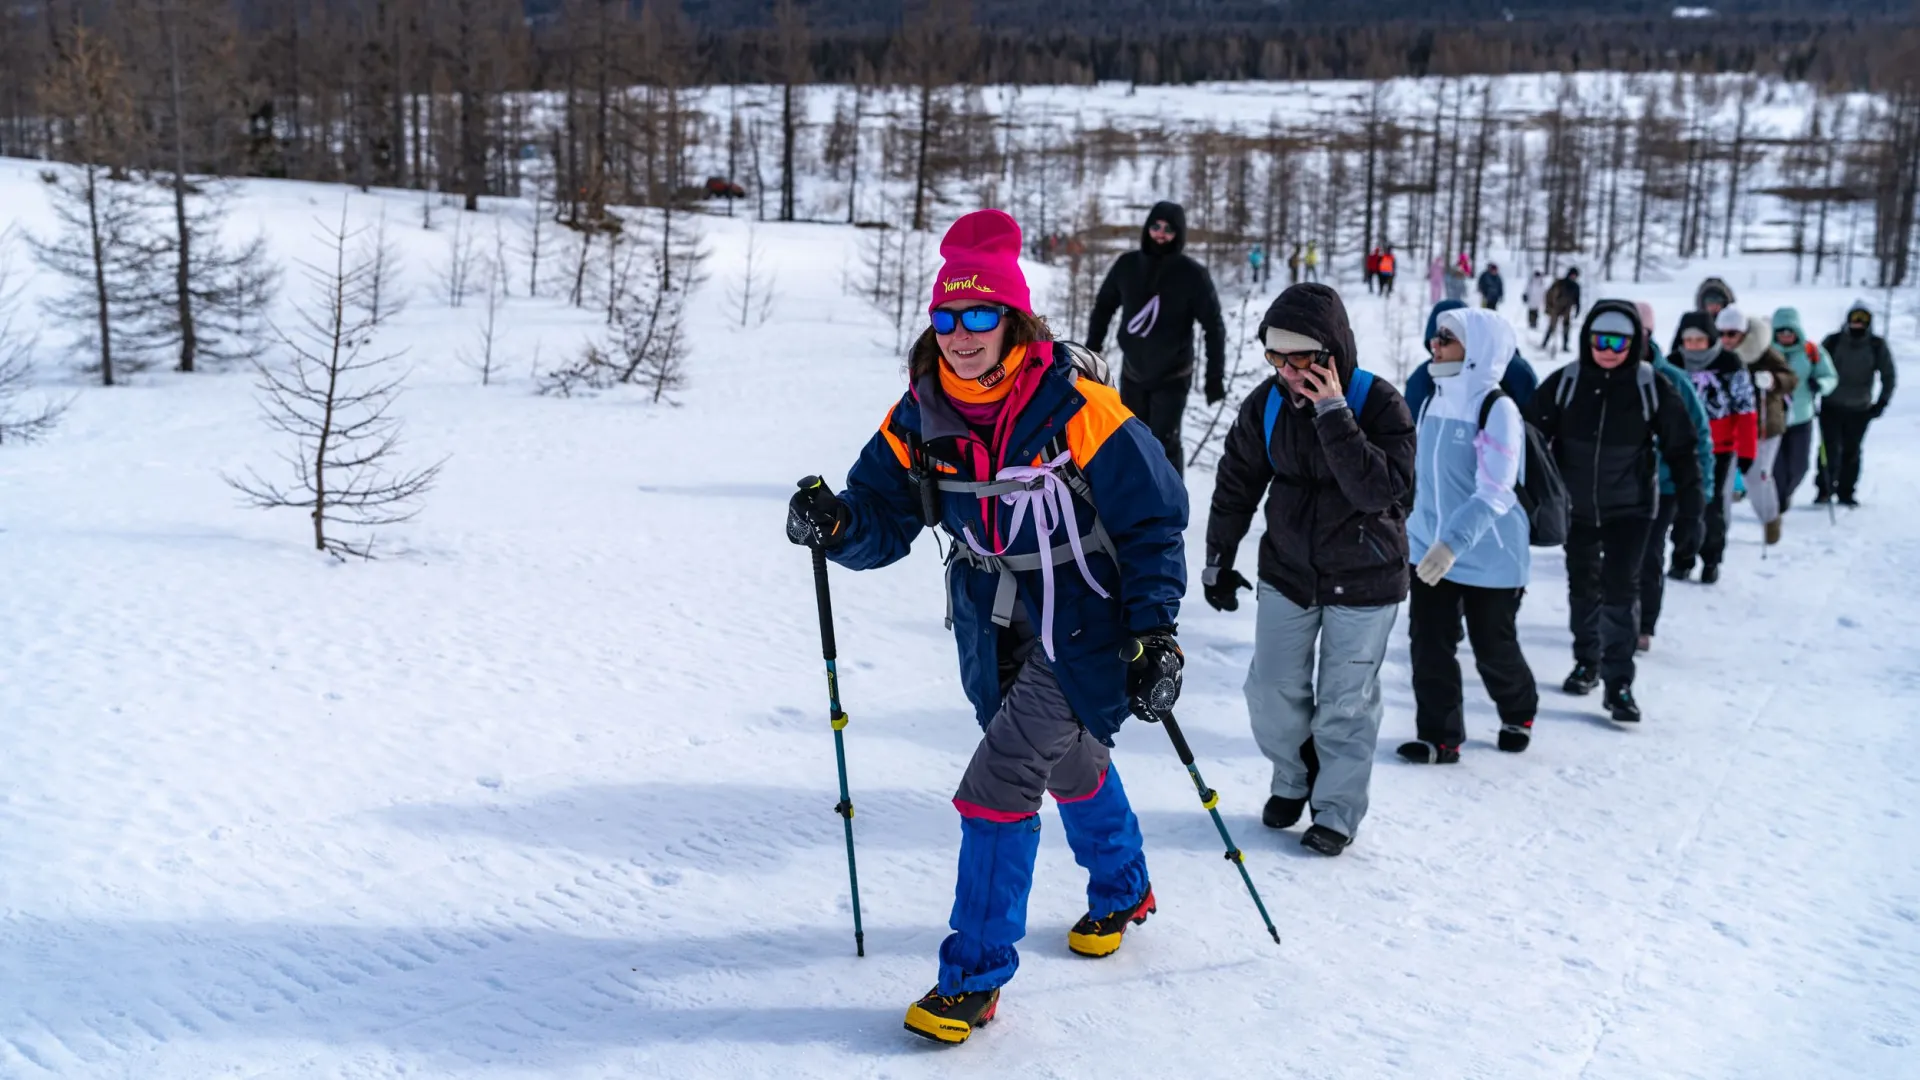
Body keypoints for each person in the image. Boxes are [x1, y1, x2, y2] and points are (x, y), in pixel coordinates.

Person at [786, 209, 1188, 1045]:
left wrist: (1156, 633)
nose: (961, 335)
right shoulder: (921, 413)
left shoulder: (1077, 408)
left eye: (979, 315)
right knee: (1065, 758)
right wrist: (837, 526)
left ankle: (974, 976)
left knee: (1000, 780)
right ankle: (1124, 888)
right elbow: (881, 516)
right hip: (988, 617)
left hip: (1084, 615)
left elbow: (1154, 518)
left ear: (1014, 321)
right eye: (946, 317)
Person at [1202, 283, 1415, 856]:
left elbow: (1379, 492)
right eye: (1277, 358)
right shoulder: (1266, 405)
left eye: (1303, 359)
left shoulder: (1380, 404)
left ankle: (1336, 810)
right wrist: (1218, 559)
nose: (1290, 372)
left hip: (1366, 578)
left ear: (1333, 351)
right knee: (1271, 690)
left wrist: (1333, 413)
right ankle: (1294, 776)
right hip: (1289, 570)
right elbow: (1236, 484)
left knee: (1346, 703)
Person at [1528, 302, 1704, 724]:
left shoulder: (1651, 385)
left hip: (1632, 510)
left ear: (1636, 343)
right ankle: (1586, 662)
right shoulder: (1567, 381)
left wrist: (1693, 509)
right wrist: (1534, 494)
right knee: (1583, 586)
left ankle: (1618, 683)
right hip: (1576, 508)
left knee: (1622, 590)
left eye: (1619, 342)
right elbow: (1529, 435)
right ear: (1587, 339)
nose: (1608, 350)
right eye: (1600, 340)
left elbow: (1683, 449)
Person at [1397, 307, 1538, 764]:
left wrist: (1453, 543)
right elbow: (1422, 479)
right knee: (1429, 643)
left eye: (1447, 338)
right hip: (1429, 548)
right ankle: (1439, 738)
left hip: (1489, 555)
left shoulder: (1498, 409)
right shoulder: (1431, 400)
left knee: (1492, 645)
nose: (1434, 345)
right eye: (1436, 337)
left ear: (1477, 349)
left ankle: (1519, 710)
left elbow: (1496, 492)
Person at [1087, 201, 1228, 476]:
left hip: (1173, 376)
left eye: (1168, 229)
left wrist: (1214, 377)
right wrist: (1091, 352)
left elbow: (1214, 327)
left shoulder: (1193, 275)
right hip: (1133, 372)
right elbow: (1103, 307)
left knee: (1164, 445)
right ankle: (1133, 498)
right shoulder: (1127, 265)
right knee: (1131, 441)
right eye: (1156, 226)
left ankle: (1170, 501)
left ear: (1179, 234)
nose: (1161, 234)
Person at [1634, 302, 1712, 655]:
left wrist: (1701, 491)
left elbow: (1699, 438)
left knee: (1649, 553)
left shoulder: (1672, 380)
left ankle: (1643, 622)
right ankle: (1613, 613)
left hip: (1661, 486)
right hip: (1611, 483)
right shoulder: (1600, 375)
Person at [1667, 310, 1755, 585]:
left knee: (1711, 505)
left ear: (1711, 340)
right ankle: (1682, 557)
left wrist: (1747, 451)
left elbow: (1745, 409)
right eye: (1688, 340)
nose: (1693, 346)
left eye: (1700, 340)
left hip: (1720, 448)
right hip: (1681, 447)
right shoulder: (1673, 365)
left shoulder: (1730, 364)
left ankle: (1711, 558)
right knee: (1682, 505)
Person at [1720, 309, 1799, 545]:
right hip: (1728, 426)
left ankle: (1770, 520)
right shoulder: (1717, 353)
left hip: (1764, 425)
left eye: (1732, 334)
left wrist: (1774, 381)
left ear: (1744, 333)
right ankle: (1718, 530)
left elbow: (1791, 378)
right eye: (1722, 334)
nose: (1726, 339)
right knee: (1723, 480)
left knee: (1757, 477)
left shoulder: (1762, 350)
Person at [1402, 298, 1540, 421]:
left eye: (1445, 338)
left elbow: (1534, 423)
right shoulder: (1420, 381)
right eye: (1434, 340)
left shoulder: (1513, 372)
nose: (1436, 346)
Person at [1816, 301, 1897, 507]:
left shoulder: (1876, 345)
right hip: (1831, 405)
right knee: (1829, 448)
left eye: (1863, 319)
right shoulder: (1833, 341)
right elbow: (1816, 366)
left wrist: (1882, 402)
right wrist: (1814, 389)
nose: (1858, 323)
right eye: (1855, 318)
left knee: (1851, 451)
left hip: (1859, 408)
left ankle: (1846, 492)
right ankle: (1824, 489)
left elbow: (1888, 375)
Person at [1769, 307, 1837, 512]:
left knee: (1799, 467)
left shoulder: (1811, 351)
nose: (1785, 336)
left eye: (1789, 331)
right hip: (1773, 418)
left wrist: (1820, 384)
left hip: (1802, 416)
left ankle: (1785, 493)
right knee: (1776, 467)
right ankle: (1778, 501)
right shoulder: (1766, 352)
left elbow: (1830, 376)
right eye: (1781, 331)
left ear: (1797, 331)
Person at [1669, 276, 1736, 357]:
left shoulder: (1736, 324)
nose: (1714, 306)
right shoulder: (1692, 324)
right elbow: (1676, 353)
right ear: (1703, 304)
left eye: (1718, 301)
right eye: (1710, 302)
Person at [1540, 268, 1582, 353]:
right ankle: (1544, 343)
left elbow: (1577, 299)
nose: (1573, 277)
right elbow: (1549, 294)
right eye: (1572, 275)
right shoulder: (1560, 283)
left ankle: (1565, 346)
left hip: (1567, 308)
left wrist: (1578, 309)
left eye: (1575, 276)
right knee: (1552, 326)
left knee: (1566, 326)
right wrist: (1549, 306)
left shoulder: (1576, 286)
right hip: (1556, 307)